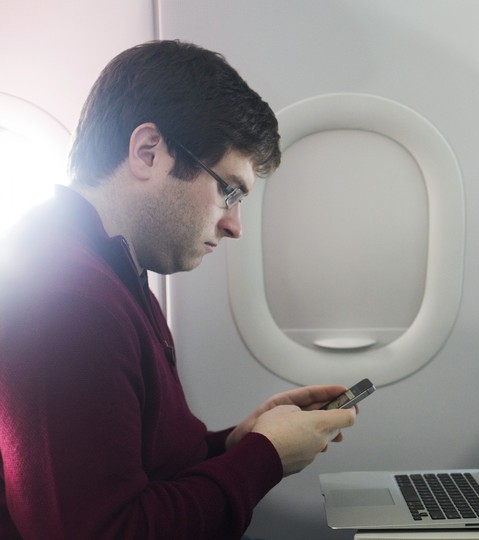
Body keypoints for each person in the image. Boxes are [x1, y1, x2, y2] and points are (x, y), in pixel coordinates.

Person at [0, 40, 357, 539]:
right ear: (149, 152)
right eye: (228, 190)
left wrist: (237, 443)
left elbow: (138, 466)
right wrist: (265, 458)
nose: (234, 226)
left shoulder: (117, 273)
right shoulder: (65, 299)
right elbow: (108, 530)